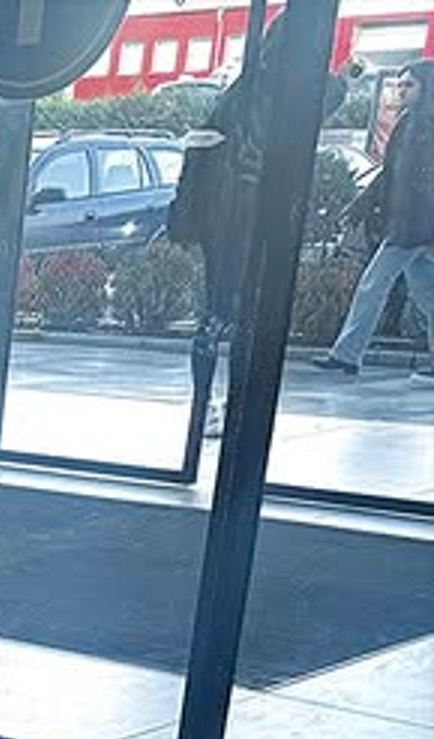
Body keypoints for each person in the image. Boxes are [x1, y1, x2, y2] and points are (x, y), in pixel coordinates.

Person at [170, 19, 349, 434]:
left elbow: (200, 149)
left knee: (217, 312)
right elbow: (332, 95)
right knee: (250, 316)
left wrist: (186, 212)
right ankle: (237, 406)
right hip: (259, 214)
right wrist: (344, 73)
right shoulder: (299, 89)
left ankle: (206, 404)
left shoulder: (244, 87)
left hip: (223, 212)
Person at [313, 61, 434, 377]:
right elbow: (389, 174)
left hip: (414, 226)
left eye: (409, 85)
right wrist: (361, 205)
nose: (401, 91)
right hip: (412, 226)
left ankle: (347, 355)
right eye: (400, 85)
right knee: (427, 294)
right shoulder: (408, 124)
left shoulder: (425, 126)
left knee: (373, 285)